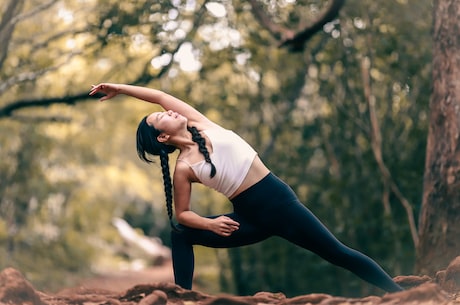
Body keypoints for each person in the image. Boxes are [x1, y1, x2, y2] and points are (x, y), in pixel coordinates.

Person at [89, 83, 403, 293]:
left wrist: (118, 88)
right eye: (161, 118)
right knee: (179, 234)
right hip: (249, 219)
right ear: (162, 138)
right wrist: (211, 223)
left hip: (281, 204)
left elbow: (157, 95)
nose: (168, 110)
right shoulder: (184, 167)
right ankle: (181, 297)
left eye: (164, 111)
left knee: (338, 253)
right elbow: (183, 215)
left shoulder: (200, 123)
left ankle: (404, 296)